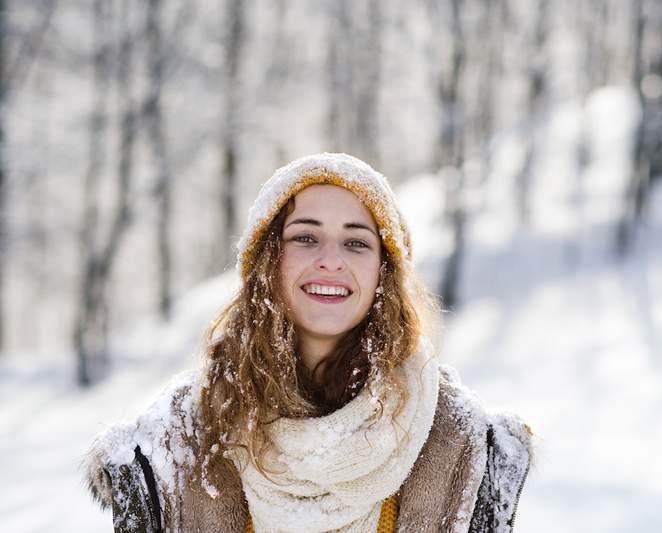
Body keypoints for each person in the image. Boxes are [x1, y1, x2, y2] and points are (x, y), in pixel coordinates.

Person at [85, 153, 533, 532]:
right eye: (305, 237)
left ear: (384, 271)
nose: (330, 260)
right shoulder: (171, 444)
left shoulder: (460, 444)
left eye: (356, 243)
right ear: (267, 260)